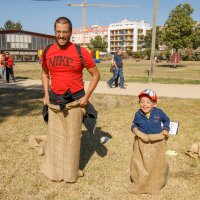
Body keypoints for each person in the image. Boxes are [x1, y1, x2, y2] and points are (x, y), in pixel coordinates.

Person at [41, 17, 100, 183]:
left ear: (70, 33)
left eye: (65, 32)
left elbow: (96, 75)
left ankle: (71, 172)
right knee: (56, 137)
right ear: (55, 32)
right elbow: (45, 73)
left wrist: (86, 97)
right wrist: (46, 94)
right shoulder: (47, 51)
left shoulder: (81, 52)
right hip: (54, 100)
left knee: (72, 139)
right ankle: (56, 170)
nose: (61, 35)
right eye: (58, 32)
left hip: (75, 101)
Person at [127, 89, 170, 194]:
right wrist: (135, 130)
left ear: (154, 104)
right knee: (140, 161)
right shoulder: (138, 114)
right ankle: (140, 180)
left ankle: (153, 181)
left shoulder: (159, 113)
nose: (144, 104)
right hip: (142, 142)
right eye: (142, 101)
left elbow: (167, 120)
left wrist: (165, 129)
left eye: (148, 102)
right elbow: (134, 124)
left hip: (156, 142)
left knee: (154, 162)